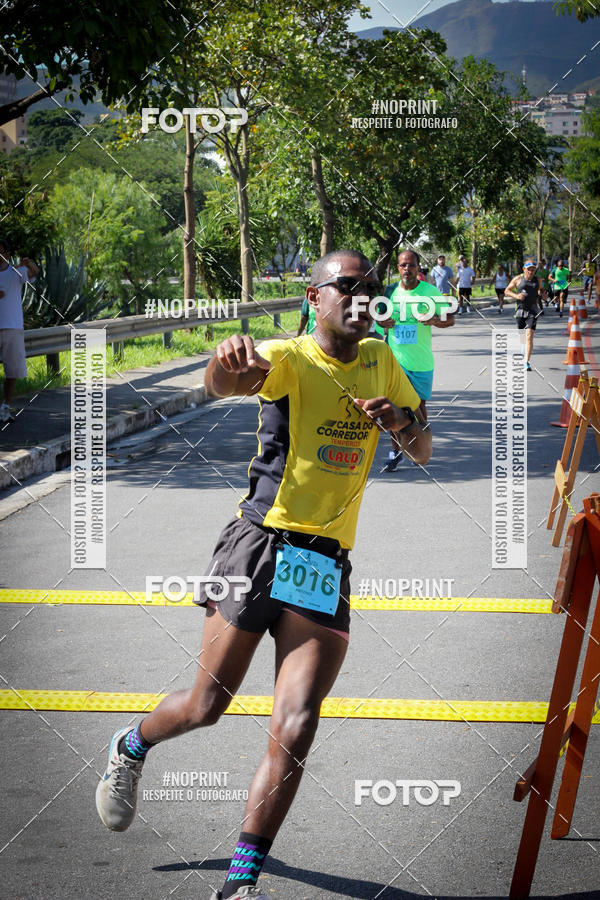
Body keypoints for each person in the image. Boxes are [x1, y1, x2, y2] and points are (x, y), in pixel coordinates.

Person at [95, 249, 431, 900]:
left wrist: (400, 422)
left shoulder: (382, 360)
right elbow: (226, 384)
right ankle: (131, 746)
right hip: (258, 548)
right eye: (348, 286)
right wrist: (223, 365)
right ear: (314, 297)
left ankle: (239, 882)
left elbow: (423, 447)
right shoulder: (288, 358)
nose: (363, 297)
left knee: (297, 723)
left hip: (324, 563)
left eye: (372, 288)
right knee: (206, 706)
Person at [375, 248, 453, 471]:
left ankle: (420, 447)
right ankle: (396, 452)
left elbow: (450, 319)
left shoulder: (429, 291)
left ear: (418, 267)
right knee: (392, 408)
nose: (407, 269)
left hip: (421, 362)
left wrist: (434, 319)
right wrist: (382, 322)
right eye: (403, 265)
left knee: (419, 408)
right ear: (398, 268)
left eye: (411, 265)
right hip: (394, 362)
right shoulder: (389, 292)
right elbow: (378, 320)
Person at [0, 238, 39, 423]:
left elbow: (35, 272)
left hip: (13, 328)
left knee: (12, 372)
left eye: (1, 252)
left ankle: (5, 407)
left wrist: (28, 263)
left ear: (7, 254)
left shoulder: (16, 272)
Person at [505, 260, 542, 371]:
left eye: (533, 269)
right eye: (529, 269)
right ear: (524, 269)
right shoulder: (518, 279)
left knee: (529, 336)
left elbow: (540, 290)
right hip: (520, 311)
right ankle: (523, 347)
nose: (531, 271)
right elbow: (507, 291)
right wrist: (516, 296)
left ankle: (526, 362)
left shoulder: (538, 279)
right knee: (522, 338)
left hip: (533, 311)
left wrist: (542, 294)